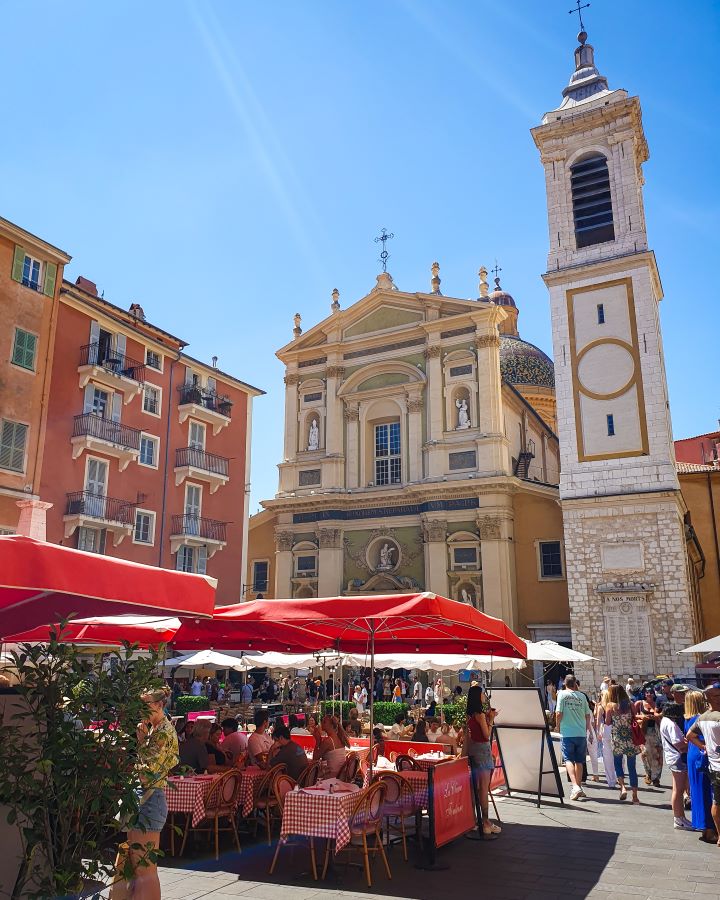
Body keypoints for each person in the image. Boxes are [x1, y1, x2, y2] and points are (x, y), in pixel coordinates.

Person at [111, 686, 178, 900]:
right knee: (138, 868)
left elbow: (148, 773)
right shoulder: (154, 729)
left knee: (144, 871)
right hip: (146, 800)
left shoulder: (162, 732)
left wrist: (140, 743)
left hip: (150, 800)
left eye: (145, 704)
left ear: (159, 705)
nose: (140, 710)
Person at [687, 682, 720, 846]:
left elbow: (689, 735)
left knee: (710, 797)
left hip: (707, 760)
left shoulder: (700, 717)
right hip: (711, 760)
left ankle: (714, 831)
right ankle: (712, 830)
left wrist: (704, 746)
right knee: (712, 797)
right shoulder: (713, 717)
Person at [465, 684, 500, 839]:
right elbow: (487, 736)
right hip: (483, 751)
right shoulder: (480, 715)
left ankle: (473, 820)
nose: (485, 696)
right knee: (483, 788)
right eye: (483, 694)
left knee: (475, 788)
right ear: (478, 696)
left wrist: (462, 755)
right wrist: (491, 720)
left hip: (472, 752)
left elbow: (468, 737)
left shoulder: (470, 716)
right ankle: (485, 822)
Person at [660, 691, 695, 830]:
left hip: (672, 757)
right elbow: (679, 745)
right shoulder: (671, 725)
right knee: (679, 790)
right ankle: (679, 819)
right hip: (677, 758)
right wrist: (691, 744)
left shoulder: (664, 721)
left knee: (676, 789)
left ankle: (679, 818)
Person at [556, 674, 592, 801]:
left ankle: (575, 786)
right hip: (581, 732)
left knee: (569, 760)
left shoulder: (562, 694)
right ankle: (578, 787)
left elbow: (559, 713)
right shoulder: (582, 696)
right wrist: (588, 729)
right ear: (575, 683)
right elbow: (588, 715)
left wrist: (557, 726)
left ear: (565, 683)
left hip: (568, 732)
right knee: (579, 761)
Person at [605, 684, 640, 803]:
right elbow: (636, 718)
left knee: (618, 764)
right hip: (630, 738)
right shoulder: (630, 705)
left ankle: (623, 788)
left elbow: (608, 722)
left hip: (618, 739)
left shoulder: (610, 706)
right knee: (632, 767)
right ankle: (635, 795)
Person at [636, 685, 663, 786]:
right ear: (644, 694)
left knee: (657, 754)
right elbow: (633, 715)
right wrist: (644, 717)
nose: (649, 694)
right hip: (644, 731)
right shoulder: (639, 704)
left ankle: (656, 778)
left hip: (656, 731)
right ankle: (648, 773)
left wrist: (655, 717)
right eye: (647, 692)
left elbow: (661, 716)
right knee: (645, 753)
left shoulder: (657, 704)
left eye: (651, 692)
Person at [595, 689, 617, 788]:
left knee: (607, 755)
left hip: (606, 729)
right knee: (617, 753)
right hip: (615, 729)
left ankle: (611, 780)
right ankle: (618, 774)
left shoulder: (601, 707)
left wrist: (597, 732)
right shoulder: (614, 705)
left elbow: (598, 721)